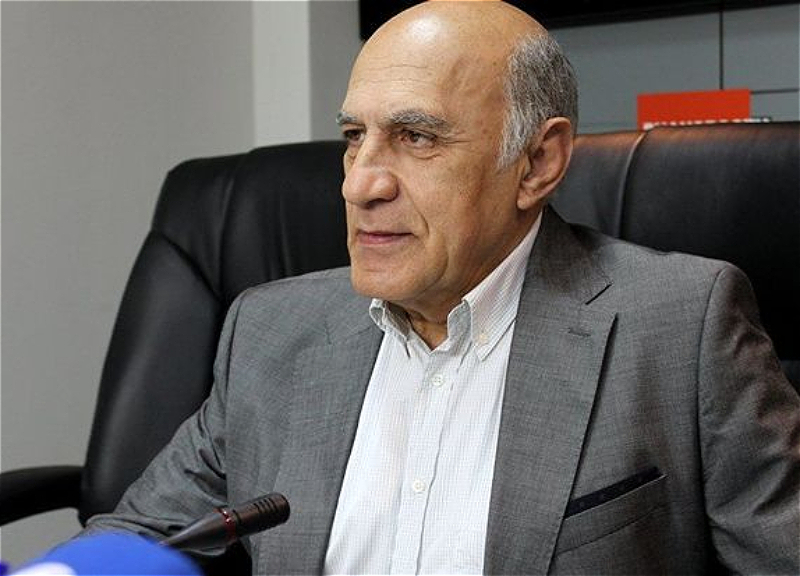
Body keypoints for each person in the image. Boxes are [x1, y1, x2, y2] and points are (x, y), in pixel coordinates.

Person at [85, 1, 800, 574]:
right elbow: (142, 535)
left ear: (537, 163)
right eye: (353, 137)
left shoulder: (683, 326)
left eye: (417, 138)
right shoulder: (272, 331)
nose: (360, 185)